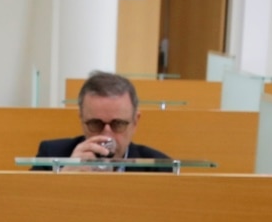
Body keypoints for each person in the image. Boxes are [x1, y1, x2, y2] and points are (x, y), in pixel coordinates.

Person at [32, 71, 171, 169]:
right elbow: (25, 206)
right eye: (95, 124)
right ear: (82, 119)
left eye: (118, 124)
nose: (106, 136)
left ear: (135, 122)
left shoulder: (159, 167)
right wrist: (65, 178)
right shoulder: (51, 155)